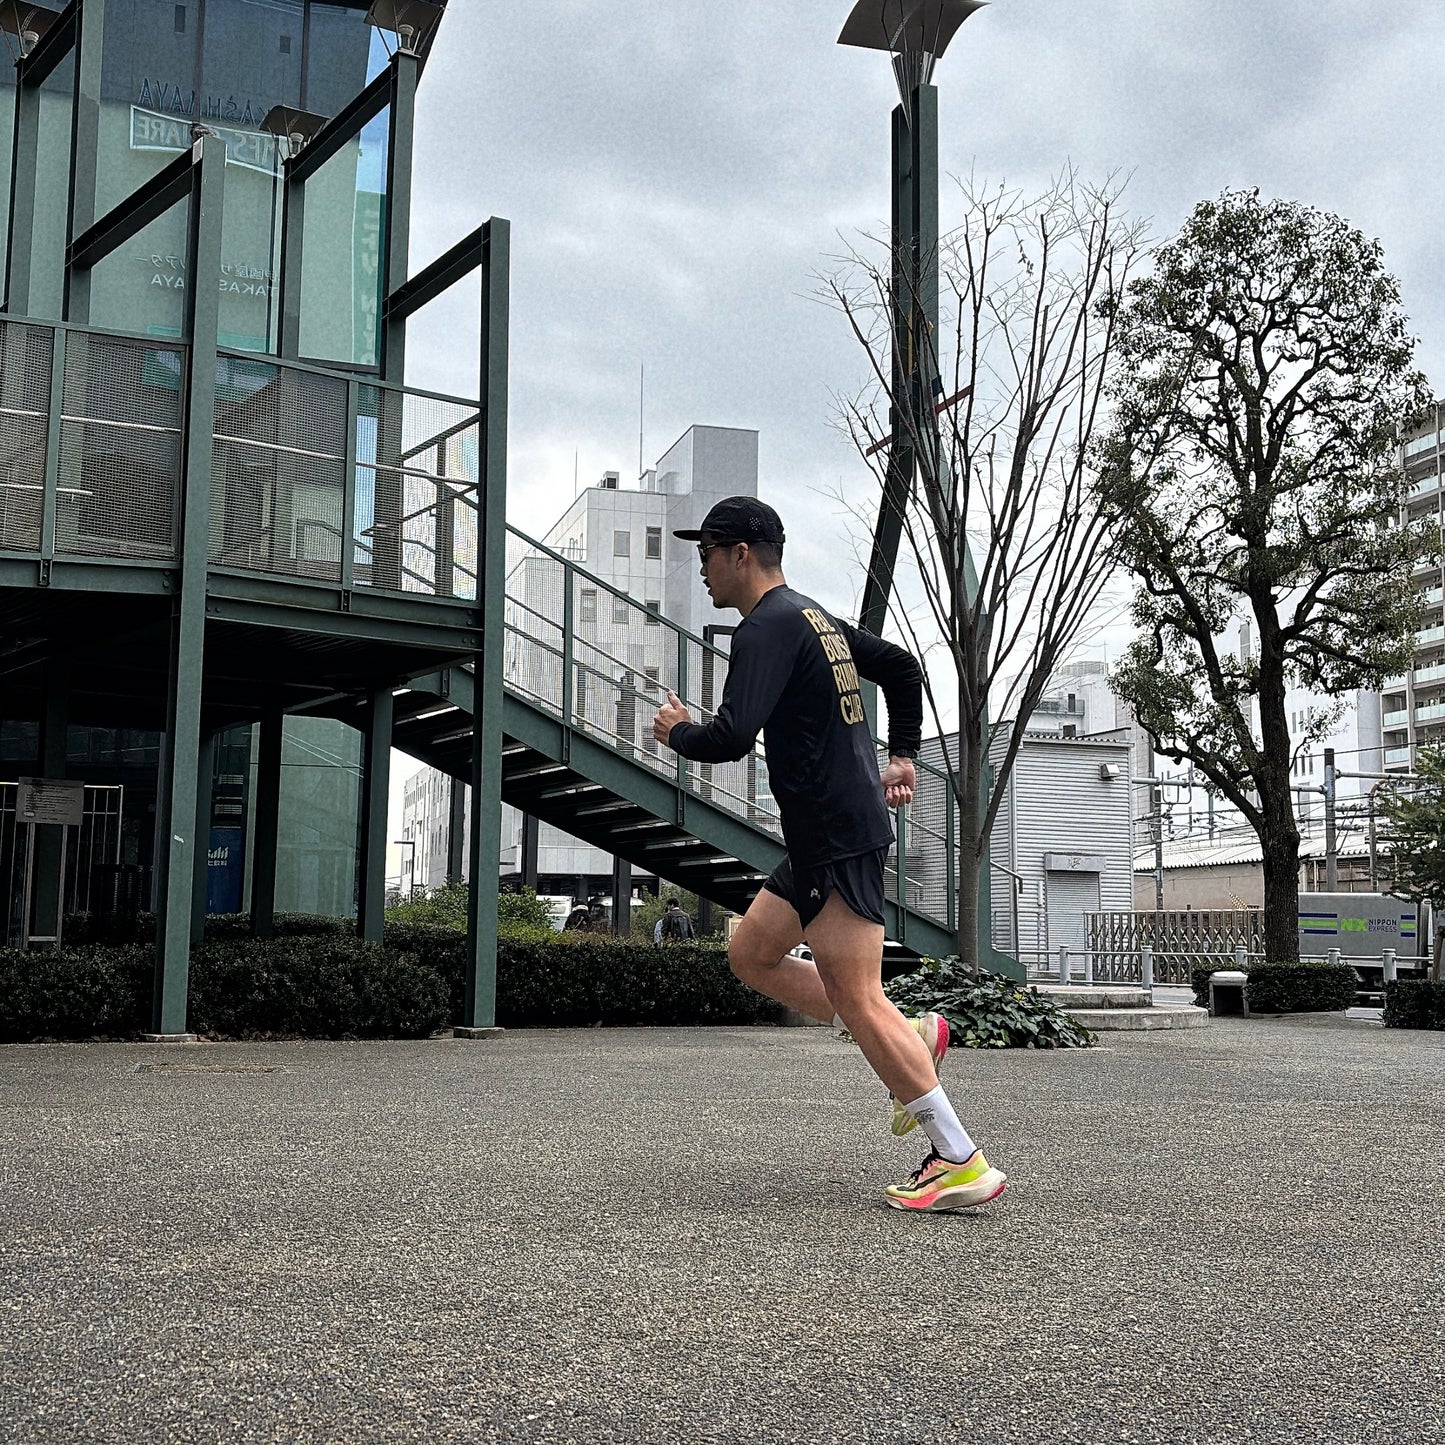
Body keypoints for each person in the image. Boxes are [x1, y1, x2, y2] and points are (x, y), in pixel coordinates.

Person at [652, 497, 1006, 1213]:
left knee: (857, 995)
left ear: (741, 553)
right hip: (827, 833)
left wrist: (676, 731)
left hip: (835, 836)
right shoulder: (811, 616)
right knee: (752, 953)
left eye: (707, 552)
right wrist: (901, 754)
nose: (703, 567)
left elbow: (730, 737)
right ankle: (912, 1036)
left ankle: (958, 1158)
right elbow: (901, 668)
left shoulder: (764, 628)